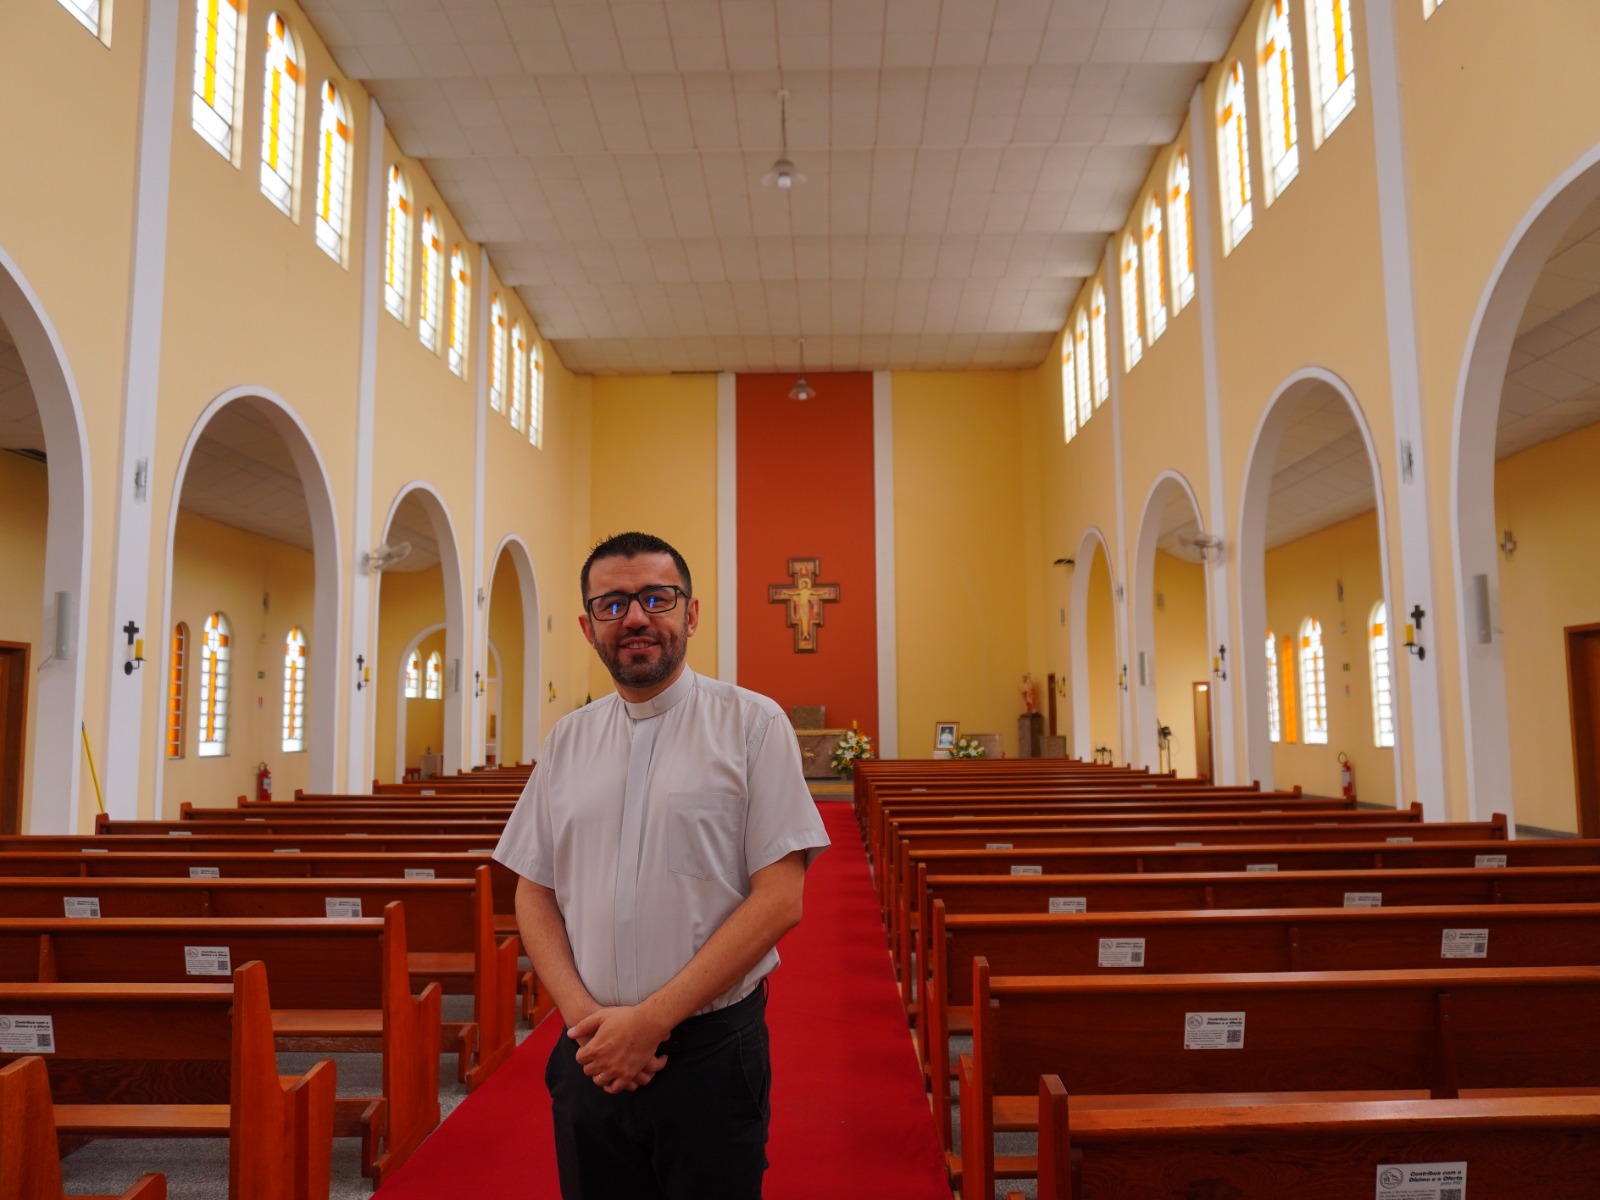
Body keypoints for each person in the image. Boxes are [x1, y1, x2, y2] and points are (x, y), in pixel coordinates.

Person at [494, 531, 830, 1200]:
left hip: (707, 1055)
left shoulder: (752, 725)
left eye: (656, 597)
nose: (637, 618)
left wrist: (651, 1021)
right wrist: (584, 1015)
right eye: (614, 604)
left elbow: (779, 899)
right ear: (590, 626)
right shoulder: (570, 738)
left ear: (691, 613)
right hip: (589, 1054)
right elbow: (533, 889)